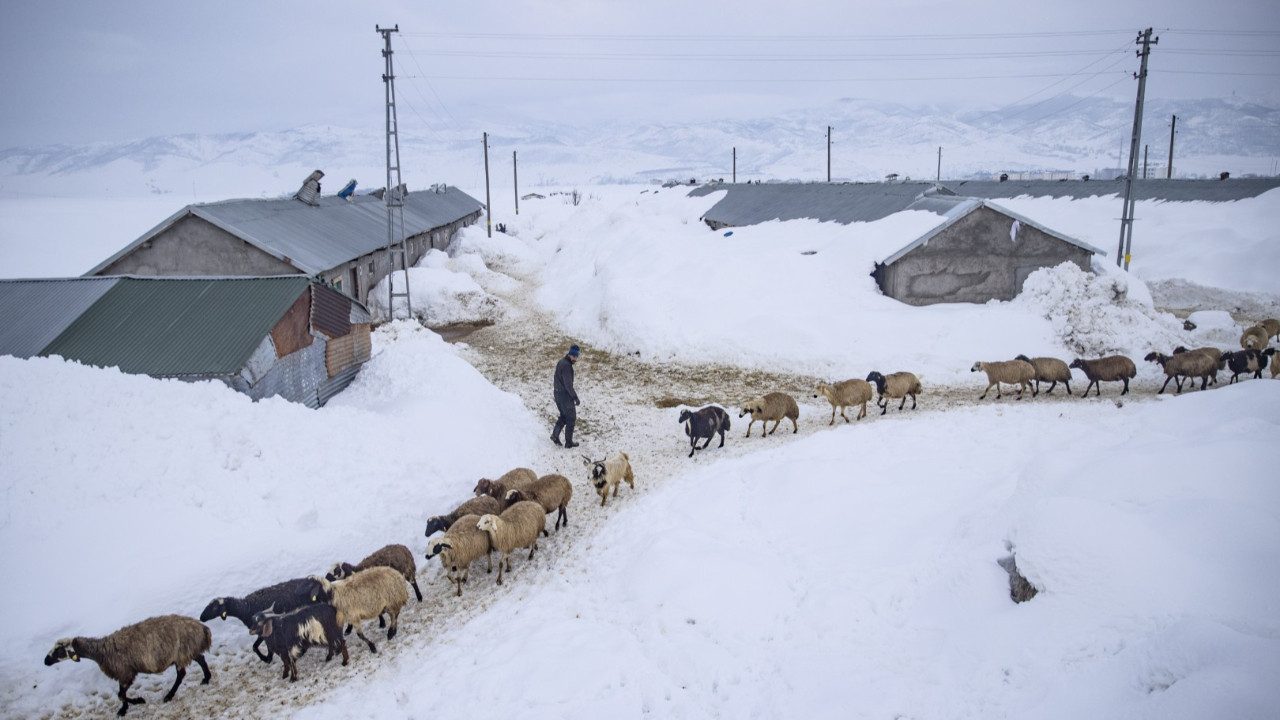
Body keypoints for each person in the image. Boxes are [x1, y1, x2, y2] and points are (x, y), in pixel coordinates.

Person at [551, 344, 581, 448]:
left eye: (577, 357)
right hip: (564, 396)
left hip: (557, 393)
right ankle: (568, 442)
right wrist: (575, 397)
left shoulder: (561, 362)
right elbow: (568, 385)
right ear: (570, 354)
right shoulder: (567, 366)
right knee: (571, 418)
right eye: (574, 356)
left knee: (564, 416)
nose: (575, 359)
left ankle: (555, 435)